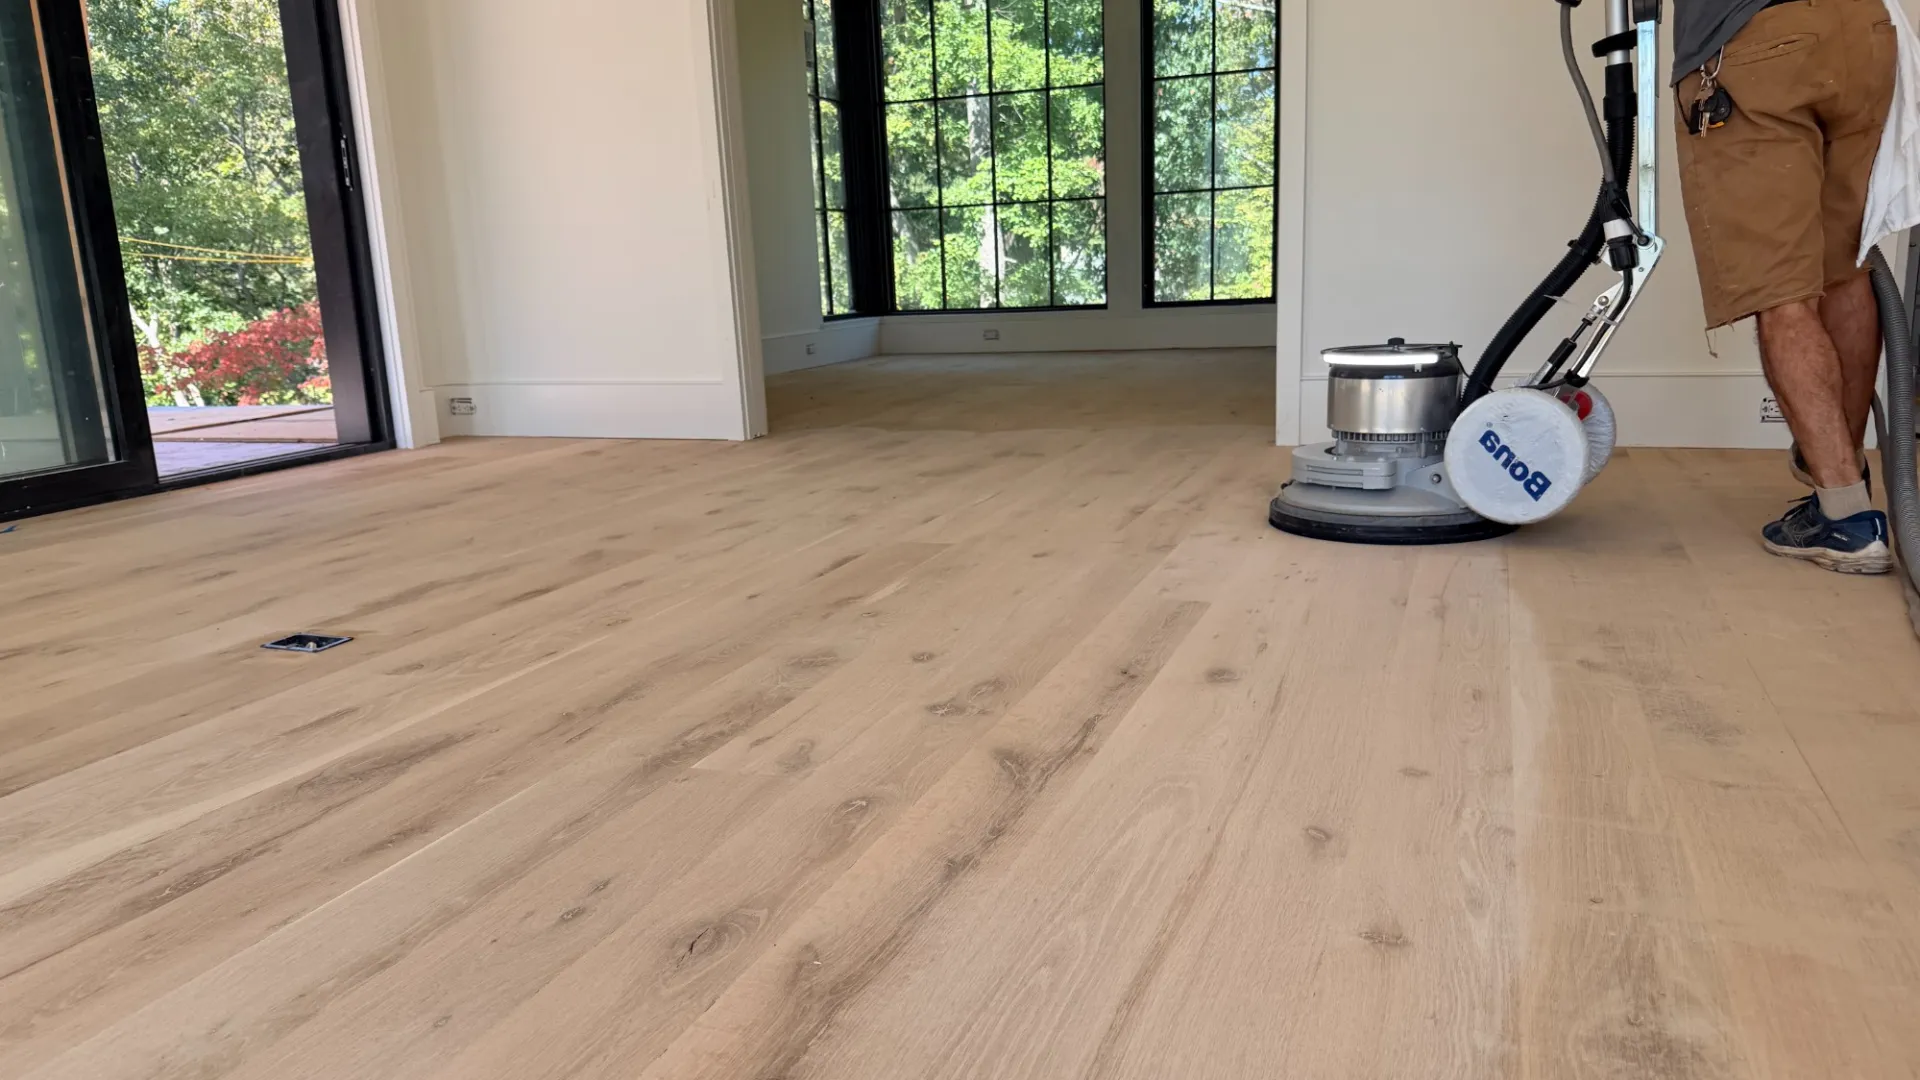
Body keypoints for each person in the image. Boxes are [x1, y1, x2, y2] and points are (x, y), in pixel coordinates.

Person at [1674, 0, 1897, 573]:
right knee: (1845, 268)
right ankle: (1840, 476)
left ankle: (1846, 516)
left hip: (1758, 40)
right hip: (1865, 33)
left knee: (1781, 290)